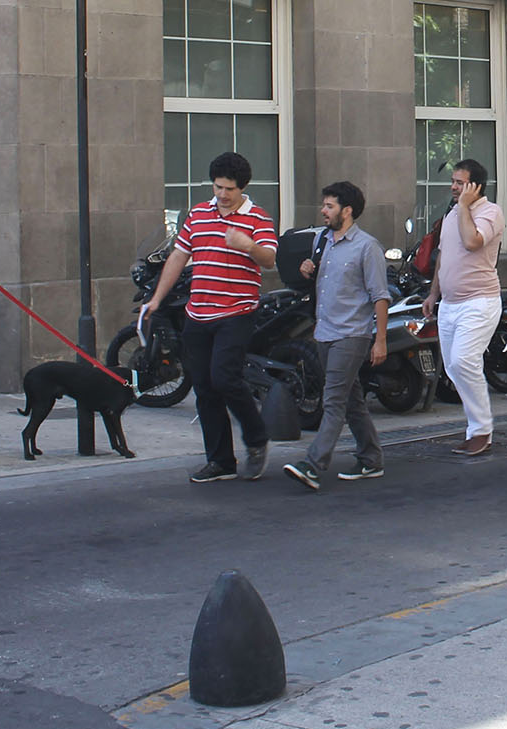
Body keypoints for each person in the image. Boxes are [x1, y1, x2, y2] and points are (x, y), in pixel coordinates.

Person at [144, 151, 278, 483]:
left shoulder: (257, 218)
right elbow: (179, 255)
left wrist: (246, 245)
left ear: (242, 188)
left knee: (225, 378)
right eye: (217, 187)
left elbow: (269, 259)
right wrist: (157, 299)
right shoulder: (200, 214)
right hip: (198, 313)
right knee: (203, 388)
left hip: (237, 311)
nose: (221, 194)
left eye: (228, 189)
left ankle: (257, 438)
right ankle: (220, 461)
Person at [284, 182, 391, 491]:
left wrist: (379, 339)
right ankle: (371, 459)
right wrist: (307, 268)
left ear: (347, 211)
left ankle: (314, 464)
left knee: (332, 401)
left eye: (329, 206)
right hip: (324, 331)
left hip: (352, 333)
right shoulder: (321, 239)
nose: (323, 210)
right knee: (351, 400)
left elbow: (379, 296)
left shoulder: (367, 247)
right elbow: (318, 278)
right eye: (324, 205)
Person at [424, 159, 506, 457]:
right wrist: (433, 294)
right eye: (454, 182)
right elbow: (443, 257)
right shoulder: (451, 214)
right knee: (453, 367)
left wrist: (464, 208)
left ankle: (481, 430)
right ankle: (476, 426)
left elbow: (472, 241)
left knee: (463, 361)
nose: (453, 187)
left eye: (460, 183)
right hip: (450, 304)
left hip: (480, 302)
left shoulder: (490, 212)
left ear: (476, 186)